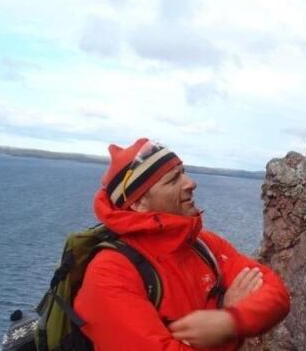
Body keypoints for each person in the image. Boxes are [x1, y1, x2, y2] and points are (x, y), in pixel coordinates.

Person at [74, 138, 290, 350]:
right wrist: (224, 330)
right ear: (138, 203)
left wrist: (229, 321)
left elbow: (276, 293)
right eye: (172, 179)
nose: (190, 183)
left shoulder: (204, 245)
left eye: (183, 172)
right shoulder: (110, 272)